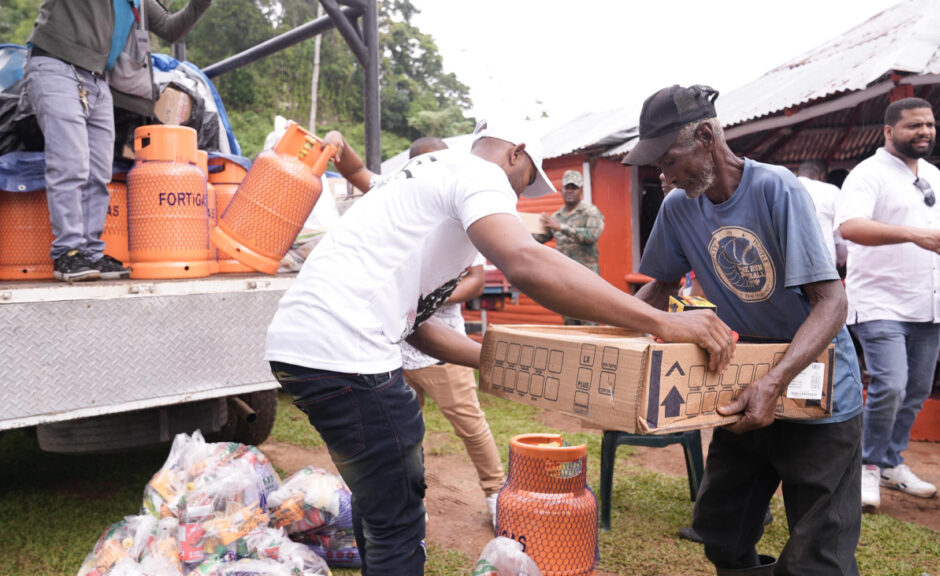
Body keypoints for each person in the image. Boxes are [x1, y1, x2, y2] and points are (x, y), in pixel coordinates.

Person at [267, 118, 736, 574]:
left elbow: (416, 325)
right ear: (514, 153)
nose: (515, 197)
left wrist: (513, 363)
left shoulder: (419, 179)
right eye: (525, 180)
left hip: (303, 347)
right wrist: (661, 322)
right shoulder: (478, 174)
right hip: (346, 353)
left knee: (379, 507)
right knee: (399, 519)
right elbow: (527, 261)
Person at [625, 84, 864, 575]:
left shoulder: (775, 188)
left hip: (814, 379)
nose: (663, 175)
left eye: (668, 160)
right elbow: (662, 286)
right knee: (721, 531)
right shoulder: (678, 206)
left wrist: (774, 382)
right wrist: (609, 335)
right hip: (741, 377)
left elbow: (832, 301)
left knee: (817, 554)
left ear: (706, 136)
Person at [323, 132, 508, 525]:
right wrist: (339, 142)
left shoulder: (461, 205)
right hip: (393, 348)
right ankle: (407, 500)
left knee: (470, 425)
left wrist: (436, 296)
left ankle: (495, 495)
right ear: (413, 168)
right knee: (400, 434)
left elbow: (476, 277)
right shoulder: (396, 193)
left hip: (442, 347)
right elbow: (356, 171)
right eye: (424, 163)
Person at [836, 97, 940, 510]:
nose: (925, 132)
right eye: (914, 125)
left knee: (914, 391)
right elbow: (851, 227)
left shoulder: (934, 176)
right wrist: (915, 235)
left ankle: (892, 461)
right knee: (890, 386)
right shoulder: (868, 174)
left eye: (929, 125)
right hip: (880, 301)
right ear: (889, 131)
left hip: (927, 304)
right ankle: (865, 467)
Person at [24, 0, 212, 281]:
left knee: (98, 173)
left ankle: (90, 253)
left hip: (99, 81)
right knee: (70, 164)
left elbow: (171, 28)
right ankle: (68, 252)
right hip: (56, 65)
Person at [534, 169, 605, 325]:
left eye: (574, 187)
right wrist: (520, 228)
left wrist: (561, 228)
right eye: (567, 187)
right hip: (565, 280)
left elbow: (591, 236)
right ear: (561, 190)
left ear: (581, 190)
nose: (570, 191)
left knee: (590, 324)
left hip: (587, 279)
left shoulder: (590, 212)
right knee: (570, 324)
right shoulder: (556, 217)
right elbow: (538, 239)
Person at [798, 159, 847, 268]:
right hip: (822, 267)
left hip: (785, 268)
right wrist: (841, 260)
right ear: (823, 176)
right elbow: (842, 234)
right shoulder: (830, 191)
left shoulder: (781, 189)